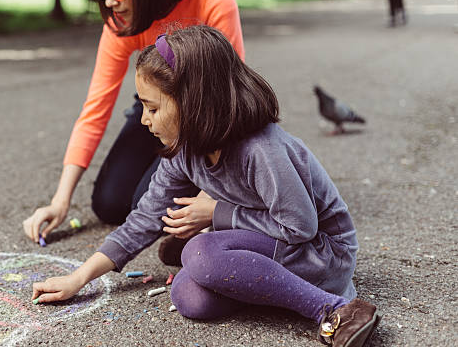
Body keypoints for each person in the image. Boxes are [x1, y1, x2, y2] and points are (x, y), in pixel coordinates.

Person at [30, 26, 381, 347]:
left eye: (152, 107)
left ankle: (334, 308)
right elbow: (144, 219)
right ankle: (275, 285)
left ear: (194, 104)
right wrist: (79, 278)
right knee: (189, 296)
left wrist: (217, 213)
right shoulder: (184, 149)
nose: (143, 119)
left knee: (199, 254)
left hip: (321, 252)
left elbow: (299, 227)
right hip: (281, 248)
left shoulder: (262, 150)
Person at [22, 0, 244, 248]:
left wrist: (211, 199)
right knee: (110, 204)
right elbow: (95, 108)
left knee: (150, 203)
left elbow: (229, 103)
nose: (109, 2)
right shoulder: (123, 22)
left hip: (204, 115)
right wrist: (60, 200)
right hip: (155, 106)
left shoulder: (213, 1)